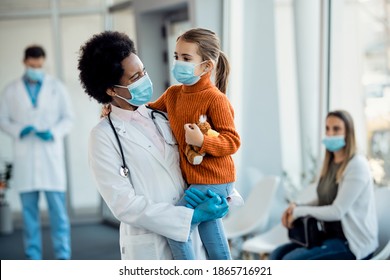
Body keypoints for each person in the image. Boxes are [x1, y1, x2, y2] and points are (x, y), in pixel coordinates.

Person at [77, 30, 230, 260]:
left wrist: (222, 195)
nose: (144, 80)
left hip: (196, 237)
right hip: (152, 246)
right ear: (111, 90)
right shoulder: (103, 136)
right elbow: (123, 204)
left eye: (143, 71)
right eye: (134, 77)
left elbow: (204, 156)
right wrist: (189, 216)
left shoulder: (163, 114)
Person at [148, 28, 241, 260]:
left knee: (175, 227)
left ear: (207, 66)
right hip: (198, 181)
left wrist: (203, 140)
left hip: (215, 179)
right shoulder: (173, 94)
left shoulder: (216, 99)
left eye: (187, 58)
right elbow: (146, 111)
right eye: (177, 56)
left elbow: (232, 141)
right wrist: (114, 106)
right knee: (212, 235)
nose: (179, 63)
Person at [269, 110, 378, 260]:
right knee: (276, 255)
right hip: (326, 235)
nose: (330, 133)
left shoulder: (357, 165)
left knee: (290, 261)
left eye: (336, 129)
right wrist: (296, 205)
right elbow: (322, 199)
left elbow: (337, 211)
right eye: (327, 128)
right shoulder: (329, 163)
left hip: (352, 243)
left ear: (348, 132)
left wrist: (298, 212)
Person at [0, 45, 74, 260]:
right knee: (29, 215)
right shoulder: (11, 90)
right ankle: (33, 259)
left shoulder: (57, 88)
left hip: (51, 157)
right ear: (25, 62)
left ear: (44, 62)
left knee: (59, 215)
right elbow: (3, 120)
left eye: (39, 66)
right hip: (26, 158)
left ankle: (63, 258)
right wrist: (18, 130)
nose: (36, 69)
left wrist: (53, 133)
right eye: (33, 66)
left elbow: (68, 118)